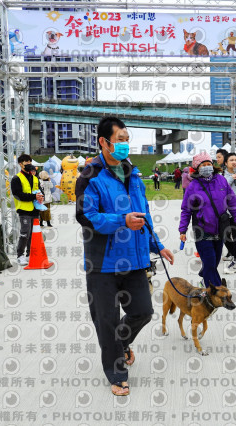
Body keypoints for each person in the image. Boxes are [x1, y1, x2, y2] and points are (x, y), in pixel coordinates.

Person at [76, 116, 174, 397]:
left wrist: (157, 245)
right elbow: (86, 216)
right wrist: (121, 220)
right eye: (120, 140)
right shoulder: (90, 176)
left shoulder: (134, 175)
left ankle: (122, 344)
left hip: (135, 259)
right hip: (103, 263)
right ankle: (117, 373)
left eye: (127, 139)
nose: (125, 144)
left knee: (143, 311)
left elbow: (143, 217)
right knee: (107, 321)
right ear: (103, 142)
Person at [179, 151, 236, 288]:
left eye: (209, 164)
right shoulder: (193, 186)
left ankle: (205, 278)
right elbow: (186, 210)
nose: (207, 167)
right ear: (197, 168)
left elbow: (232, 201)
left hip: (219, 229)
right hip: (202, 230)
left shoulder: (221, 180)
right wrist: (182, 230)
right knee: (209, 260)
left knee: (214, 261)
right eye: (203, 165)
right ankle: (217, 288)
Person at [10, 155, 44, 266]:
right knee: (25, 233)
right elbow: (18, 195)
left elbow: (39, 190)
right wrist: (34, 197)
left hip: (35, 210)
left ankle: (30, 254)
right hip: (24, 210)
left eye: (30, 161)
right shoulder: (16, 178)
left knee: (33, 234)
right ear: (20, 163)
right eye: (26, 161)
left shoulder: (35, 178)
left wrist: (41, 197)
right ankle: (20, 255)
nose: (29, 163)